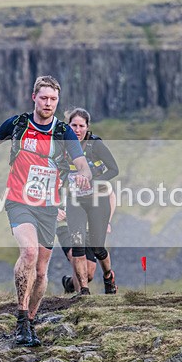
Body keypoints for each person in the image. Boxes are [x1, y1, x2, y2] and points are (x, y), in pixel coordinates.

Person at [0, 76, 92, 347]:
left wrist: (83, 174)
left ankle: (31, 323)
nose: (48, 103)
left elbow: (82, 163)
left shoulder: (63, 132)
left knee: (42, 270)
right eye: (44, 98)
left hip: (48, 206)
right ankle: (21, 320)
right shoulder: (18, 124)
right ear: (33, 97)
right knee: (29, 252)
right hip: (19, 200)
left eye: (53, 100)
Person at [64, 108, 119, 295]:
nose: (77, 130)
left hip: (98, 200)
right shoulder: (63, 144)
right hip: (74, 200)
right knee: (77, 242)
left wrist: (94, 181)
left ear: (87, 127)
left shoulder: (96, 145)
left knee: (97, 247)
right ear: (68, 126)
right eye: (73, 125)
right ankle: (84, 292)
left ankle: (108, 277)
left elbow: (114, 169)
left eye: (81, 126)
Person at [55, 191, 116, 293]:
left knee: (89, 274)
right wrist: (54, 210)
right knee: (75, 255)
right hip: (64, 226)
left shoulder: (91, 177)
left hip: (88, 227)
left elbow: (111, 195)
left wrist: (107, 221)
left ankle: (69, 283)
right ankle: (82, 295)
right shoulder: (58, 175)